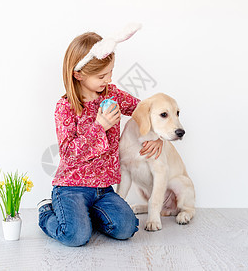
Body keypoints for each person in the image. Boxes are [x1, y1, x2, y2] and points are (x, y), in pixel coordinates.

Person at [38, 24, 163, 247]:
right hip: (71, 187)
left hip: (102, 189)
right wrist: (99, 126)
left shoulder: (112, 94)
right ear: (78, 75)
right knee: (76, 236)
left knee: (127, 227)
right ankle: (47, 212)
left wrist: (158, 135)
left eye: (111, 72)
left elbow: (142, 109)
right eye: (101, 76)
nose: (108, 80)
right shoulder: (65, 107)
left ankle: (86, 216)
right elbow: (68, 153)